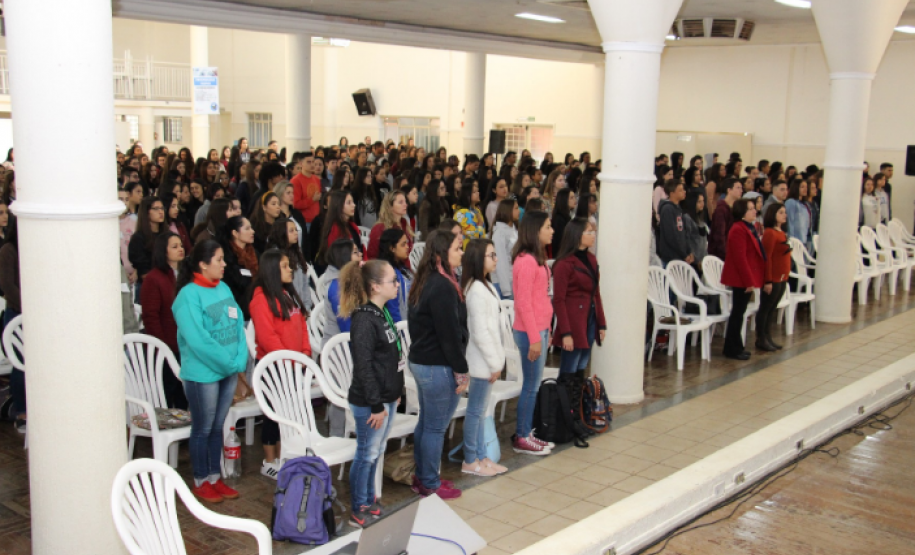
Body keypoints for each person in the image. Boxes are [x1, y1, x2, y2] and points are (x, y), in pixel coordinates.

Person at [172, 240, 247, 503]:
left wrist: (239, 357)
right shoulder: (188, 296)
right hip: (203, 374)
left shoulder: (223, 287)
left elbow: (238, 323)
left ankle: (216, 478)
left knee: (217, 426)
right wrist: (229, 363)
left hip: (227, 370)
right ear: (203, 265)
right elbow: (198, 339)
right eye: (219, 260)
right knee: (202, 428)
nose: (224, 264)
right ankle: (201, 480)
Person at [337, 258, 404, 526]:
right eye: (392, 281)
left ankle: (368, 499)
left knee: (376, 452)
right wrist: (376, 405)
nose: (398, 285)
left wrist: (395, 392)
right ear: (375, 286)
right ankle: (358, 507)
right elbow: (364, 368)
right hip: (369, 402)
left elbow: (390, 358)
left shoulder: (383, 312)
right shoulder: (364, 319)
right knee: (366, 453)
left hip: (386, 397)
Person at [407, 230, 468, 499]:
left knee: (427, 423)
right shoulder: (441, 286)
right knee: (435, 426)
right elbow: (449, 334)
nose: (462, 252)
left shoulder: (428, 279)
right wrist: (461, 370)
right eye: (457, 248)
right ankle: (430, 483)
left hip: (423, 361)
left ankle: (423, 478)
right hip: (436, 364)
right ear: (443, 252)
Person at [249, 248, 312, 479]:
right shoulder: (260, 299)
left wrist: (304, 353)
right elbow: (268, 338)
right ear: (272, 270)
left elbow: (302, 325)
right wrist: (291, 360)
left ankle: (285, 455)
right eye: (285, 266)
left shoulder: (287, 294)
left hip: (293, 364)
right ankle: (269, 460)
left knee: (288, 413)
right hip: (273, 366)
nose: (290, 269)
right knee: (273, 415)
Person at [460, 239, 508, 477]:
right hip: (481, 363)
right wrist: (494, 363)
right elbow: (480, 332)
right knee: (476, 412)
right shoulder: (476, 290)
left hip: (487, 361)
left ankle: (482, 456)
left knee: (480, 412)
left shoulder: (484, 285)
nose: (496, 258)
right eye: (491, 255)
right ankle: (470, 460)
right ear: (479, 258)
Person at [551, 218, 606, 422]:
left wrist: (601, 322)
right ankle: (565, 416)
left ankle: (578, 414)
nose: (593, 235)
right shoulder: (564, 264)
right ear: (577, 235)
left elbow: (596, 293)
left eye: (593, 232)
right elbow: (559, 300)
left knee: (582, 365)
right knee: (570, 367)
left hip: (588, 319)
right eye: (589, 232)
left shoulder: (591, 260)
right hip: (573, 321)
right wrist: (565, 332)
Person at [511, 211, 555, 455]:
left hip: (539, 328)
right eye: (548, 227)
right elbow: (523, 303)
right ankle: (522, 436)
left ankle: (527, 432)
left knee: (533, 384)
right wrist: (535, 337)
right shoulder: (526, 261)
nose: (552, 231)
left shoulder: (536, 258)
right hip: (530, 331)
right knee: (530, 386)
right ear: (535, 230)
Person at [140, 232, 187, 409]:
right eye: (174, 247)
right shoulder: (154, 278)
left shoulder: (183, 274)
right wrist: (163, 347)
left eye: (181, 245)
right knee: (168, 391)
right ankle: (167, 433)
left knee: (183, 393)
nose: (180, 249)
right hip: (166, 345)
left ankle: (184, 433)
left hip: (184, 343)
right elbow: (150, 317)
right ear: (163, 251)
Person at [720, 199, 765, 361]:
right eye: (751, 209)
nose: (755, 211)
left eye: (754, 208)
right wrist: (748, 281)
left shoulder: (747, 227)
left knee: (740, 313)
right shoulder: (738, 229)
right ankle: (732, 348)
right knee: (737, 314)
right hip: (740, 278)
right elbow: (740, 258)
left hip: (745, 277)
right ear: (742, 212)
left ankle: (736, 346)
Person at [0, 217, 24, 433]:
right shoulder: (8, 249)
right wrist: (29, 306)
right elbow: (8, 285)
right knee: (20, 364)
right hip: (17, 313)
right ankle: (20, 411)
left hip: (36, 314)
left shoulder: (33, 248)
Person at [758, 203, 790, 352]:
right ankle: (761, 338)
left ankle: (768, 336)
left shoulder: (781, 232)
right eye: (781, 213)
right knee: (765, 308)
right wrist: (768, 280)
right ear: (773, 214)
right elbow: (767, 257)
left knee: (772, 309)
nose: (784, 215)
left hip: (782, 277)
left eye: (784, 212)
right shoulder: (770, 233)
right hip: (773, 278)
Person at [319, 238, 364, 339]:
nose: (360, 254)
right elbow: (346, 325)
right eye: (355, 252)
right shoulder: (336, 287)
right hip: (341, 346)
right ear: (344, 257)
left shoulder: (353, 277)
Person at [219, 216, 258, 321]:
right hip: (236, 313)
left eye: (251, 228)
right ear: (235, 233)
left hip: (255, 309)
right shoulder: (226, 258)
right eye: (247, 228)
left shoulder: (254, 254)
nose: (252, 231)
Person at [128, 197, 166, 290]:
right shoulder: (138, 238)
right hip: (150, 287)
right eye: (156, 209)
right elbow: (143, 271)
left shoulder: (166, 235)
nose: (161, 212)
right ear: (146, 212)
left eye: (162, 208)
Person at [376, 228, 413, 321]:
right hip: (401, 325)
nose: (407, 247)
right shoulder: (388, 273)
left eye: (407, 243)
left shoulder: (402, 268)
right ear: (392, 248)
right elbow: (393, 308)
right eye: (403, 244)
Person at [366, 190, 414, 260]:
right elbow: (372, 255)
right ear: (390, 206)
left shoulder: (404, 224)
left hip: (403, 266)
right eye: (401, 202)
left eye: (405, 201)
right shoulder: (379, 228)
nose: (405, 204)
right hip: (385, 267)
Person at [319, 190, 363, 263]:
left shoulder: (352, 225)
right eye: (349, 203)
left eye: (353, 202)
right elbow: (337, 258)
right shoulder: (335, 229)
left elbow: (360, 247)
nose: (354, 205)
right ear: (338, 205)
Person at [656, 181, 694, 266]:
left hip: (680, 256)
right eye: (680, 190)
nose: (684, 192)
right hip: (671, 257)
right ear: (672, 193)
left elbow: (684, 233)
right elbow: (671, 236)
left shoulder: (678, 209)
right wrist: (684, 255)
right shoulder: (667, 209)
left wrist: (688, 251)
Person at [491, 199, 519, 300]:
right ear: (507, 211)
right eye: (516, 208)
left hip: (513, 278)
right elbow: (501, 261)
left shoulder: (513, 229)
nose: (519, 211)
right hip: (503, 283)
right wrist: (506, 289)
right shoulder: (499, 233)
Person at [709, 177, 743, 260]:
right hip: (721, 255)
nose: (741, 191)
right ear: (729, 190)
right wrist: (726, 254)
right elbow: (719, 235)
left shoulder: (734, 209)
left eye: (741, 188)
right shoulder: (721, 209)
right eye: (738, 188)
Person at [292, 153, 322, 229]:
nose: (312, 165)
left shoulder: (316, 179)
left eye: (313, 162)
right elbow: (295, 204)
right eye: (308, 162)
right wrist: (312, 200)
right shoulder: (296, 181)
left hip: (317, 220)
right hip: (304, 221)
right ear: (301, 163)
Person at [453, 180, 486, 249]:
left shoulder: (477, 210)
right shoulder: (462, 213)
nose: (478, 193)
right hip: (467, 249)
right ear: (467, 196)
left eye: (477, 191)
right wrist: (480, 224)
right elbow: (474, 234)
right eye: (474, 192)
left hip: (478, 248)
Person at [682, 189, 708, 270]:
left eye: (703, 201)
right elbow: (688, 240)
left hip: (702, 258)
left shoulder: (700, 218)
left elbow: (703, 241)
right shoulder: (687, 218)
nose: (702, 204)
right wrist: (696, 260)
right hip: (693, 261)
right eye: (699, 202)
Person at [785, 178, 812, 253]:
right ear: (796, 188)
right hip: (795, 240)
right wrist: (792, 241)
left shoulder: (804, 204)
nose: (805, 189)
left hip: (803, 239)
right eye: (802, 187)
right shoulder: (791, 202)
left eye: (806, 187)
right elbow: (790, 222)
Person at [550, 188, 577, 257]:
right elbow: (562, 241)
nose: (575, 200)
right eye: (571, 198)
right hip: (561, 255)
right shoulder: (559, 219)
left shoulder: (567, 216)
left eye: (574, 197)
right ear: (564, 200)